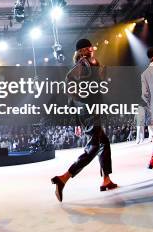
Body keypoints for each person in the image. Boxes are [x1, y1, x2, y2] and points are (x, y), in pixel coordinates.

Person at [51, 38, 118, 202]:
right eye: (88, 47)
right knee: (94, 146)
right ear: (81, 50)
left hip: (91, 110)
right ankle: (64, 177)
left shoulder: (91, 64)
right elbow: (70, 88)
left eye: (91, 46)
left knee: (104, 142)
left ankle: (106, 179)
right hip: (90, 111)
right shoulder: (83, 64)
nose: (91, 49)